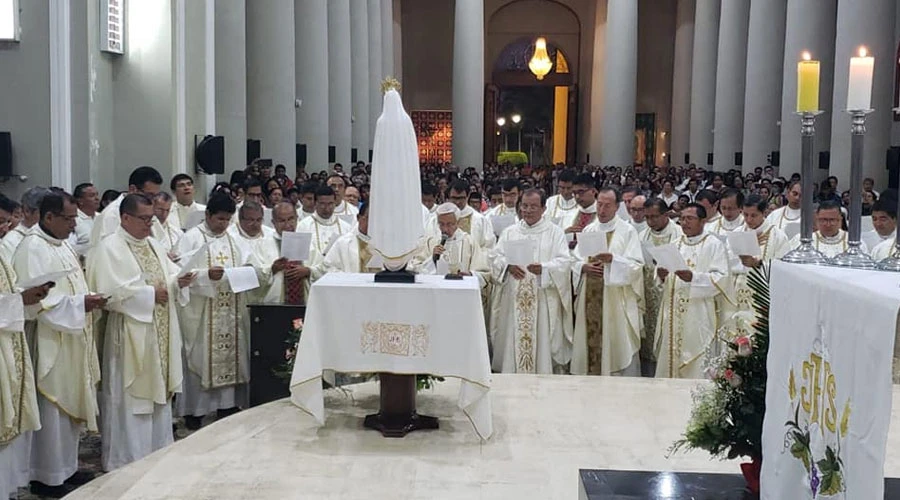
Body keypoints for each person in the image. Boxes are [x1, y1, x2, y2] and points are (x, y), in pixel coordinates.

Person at [86, 194, 194, 471]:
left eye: (152, 219)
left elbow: (167, 277)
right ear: (125, 218)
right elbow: (107, 294)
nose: (150, 224)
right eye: (144, 219)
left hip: (159, 334)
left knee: (159, 397)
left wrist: (178, 281)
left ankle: (158, 456)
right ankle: (127, 461)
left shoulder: (153, 244)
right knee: (131, 400)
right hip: (130, 336)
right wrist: (149, 295)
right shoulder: (109, 248)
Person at [14, 192, 107, 497]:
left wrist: (87, 298)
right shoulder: (32, 247)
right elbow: (37, 301)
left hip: (73, 336)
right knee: (52, 408)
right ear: (49, 217)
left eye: (74, 218)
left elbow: (73, 285)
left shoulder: (62, 243)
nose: (73, 225)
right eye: (68, 219)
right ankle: (46, 476)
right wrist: (80, 304)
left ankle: (67, 466)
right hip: (49, 341)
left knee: (68, 410)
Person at [175, 194, 257, 430]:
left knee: (231, 356)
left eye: (228, 220)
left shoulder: (235, 240)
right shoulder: (191, 238)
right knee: (199, 358)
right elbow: (178, 273)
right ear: (208, 215)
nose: (224, 224)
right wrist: (205, 276)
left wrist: (240, 272)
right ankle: (195, 410)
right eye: (220, 219)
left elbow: (251, 267)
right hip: (201, 312)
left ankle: (226, 405)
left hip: (230, 311)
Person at [490, 189, 573, 374]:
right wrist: (508, 266)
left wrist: (544, 268)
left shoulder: (555, 233)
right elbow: (495, 257)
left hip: (542, 299)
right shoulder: (510, 232)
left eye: (533, 206)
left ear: (543, 208)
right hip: (514, 298)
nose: (527, 210)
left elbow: (564, 262)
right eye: (524, 206)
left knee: (542, 341)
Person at [0, 208, 50, 499]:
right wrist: (19, 299)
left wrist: (28, 296)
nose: (5, 228)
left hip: (9, 345)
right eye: (1, 222)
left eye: (6, 222)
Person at [571, 188, 644, 376]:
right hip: (589, 295)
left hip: (615, 301)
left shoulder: (627, 231)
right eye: (599, 205)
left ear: (617, 207)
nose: (602, 210)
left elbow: (636, 266)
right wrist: (582, 267)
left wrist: (613, 261)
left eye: (607, 206)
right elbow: (574, 260)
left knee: (615, 343)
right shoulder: (589, 230)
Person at [654, 203, 728, 379]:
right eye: (682, 218)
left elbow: (721, 278)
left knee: (696, 361)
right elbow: (661, 278)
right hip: (672, 315)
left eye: (690, 218)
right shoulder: (674, 244)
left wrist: (693, 278)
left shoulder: (713, 245)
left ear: (703, 221)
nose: (685, 222)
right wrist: (661, 275)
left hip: (698, 314)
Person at [639, 197, 683, 377]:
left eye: (654, 217)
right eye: (647, 217)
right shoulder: (642, 235)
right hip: (647, 290)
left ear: (666, 215)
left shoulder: (679, 234)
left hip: (669, 291)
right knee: (648, 335)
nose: (650, 221)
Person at [410, 202, 488, 284]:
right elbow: (415, 268)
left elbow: (483, 273)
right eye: (441, 224)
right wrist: (432, 259)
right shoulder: (431, 242)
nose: (445, 229)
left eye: (449, 224)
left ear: (458, 222)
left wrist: (470, 275)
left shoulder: (469, 242)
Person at [296, 186, 352, 292]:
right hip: (310, 281)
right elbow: (299, 257)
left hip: (338, 281)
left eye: (330, 204)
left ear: (335, 203)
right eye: (322, 204)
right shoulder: (303, 226)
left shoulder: (346, 227)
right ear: (315, 203)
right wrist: (311, 271)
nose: (326, 208)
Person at [92, 166, 164, 246]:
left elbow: (161, 240)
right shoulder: (111, 215)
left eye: (155, 196)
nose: (152, 200)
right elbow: (106, 248)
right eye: (149, 195)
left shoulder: (148, 209)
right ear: (133, 189)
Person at [229, 201, 279, 304]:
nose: (255, 224)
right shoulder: (230, 237)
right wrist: (270, 270)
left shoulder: (271, 234)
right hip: (242, 295)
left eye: (259, 220)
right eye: (251, 220)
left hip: (270, 294)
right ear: (240, 219)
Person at [426, 180, 495, 250]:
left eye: (461, 198)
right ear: (448, 196)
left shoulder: (479, 219)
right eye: (454, 198)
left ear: (468, 196)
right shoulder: (437, 218)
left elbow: (488, 246)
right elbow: (429, 242)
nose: (457, 202)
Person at [323, 202, 385, 274]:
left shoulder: (386, 243)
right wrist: (348, 278)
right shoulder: (343, 243)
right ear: (358, 218)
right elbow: (329, 267)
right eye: (369, 218)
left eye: (377, 219)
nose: (372, 222)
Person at [789, 200, 864, 258]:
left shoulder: (854, 242)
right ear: (816, 218)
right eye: (823, 220)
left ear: (840, 219)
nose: (828, 225)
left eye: (832, 220)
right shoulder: (802, 240)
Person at [1, 187, 49, 262]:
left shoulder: (55, 238)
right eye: (46, 213)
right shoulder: (11, 242)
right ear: (27, 211)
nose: (51, 219)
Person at [564, 174, 598, 248]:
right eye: (574, 193)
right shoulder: (570, 214)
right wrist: (565, 234)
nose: (577, 197)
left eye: (581, 192)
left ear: (593, 191)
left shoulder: (603, 215)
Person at [72, 183, 100, 256]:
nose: (97, 198)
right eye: (92, 196)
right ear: (80, 201)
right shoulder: (73, 220)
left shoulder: (102, 217)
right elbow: (70, 248)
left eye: (97, 195)